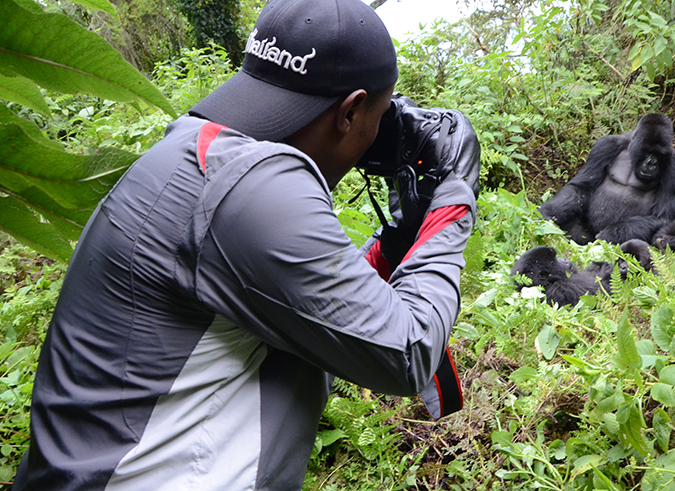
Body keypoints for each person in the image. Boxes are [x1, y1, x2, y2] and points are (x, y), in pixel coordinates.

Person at [11, 0, 480, 489]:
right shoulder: (252, 184)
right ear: (349, 111)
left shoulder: (196, 148)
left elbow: (329, 308)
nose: (379, 134)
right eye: (380, 116)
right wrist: (453, 194)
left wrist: (404, 233)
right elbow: (407, 351)